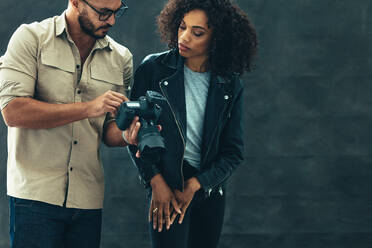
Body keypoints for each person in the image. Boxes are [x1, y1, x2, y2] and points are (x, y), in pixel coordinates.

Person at [0, 0, 139, 247]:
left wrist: (128, 135)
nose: (112, 21)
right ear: (76, 2)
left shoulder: (121, 58)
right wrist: (88, 108)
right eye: (104, 12)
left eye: (118, 12)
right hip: (35, 197)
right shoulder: (30, 38)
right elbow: (13, 111)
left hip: (87, 199)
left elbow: (109, 131)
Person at [128, 0, 258, 247]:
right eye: (182, 27)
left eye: (197, 32)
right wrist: (155, 182)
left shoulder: (229, 84)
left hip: (208, 188)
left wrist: (198, 184)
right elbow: (133, 134)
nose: (184, 37)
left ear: (217, 39)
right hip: (167, 185)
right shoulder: (154, 69)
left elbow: (233, 152)